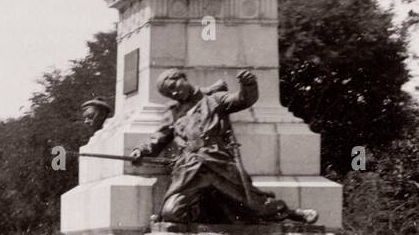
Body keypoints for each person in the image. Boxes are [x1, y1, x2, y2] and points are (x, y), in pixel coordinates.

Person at [130, 68, 317, 225]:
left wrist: (249, 85)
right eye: (169, 93)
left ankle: (293, 213)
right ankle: (209, 212)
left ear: (182, 78)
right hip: (190, 169)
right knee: (172, 213)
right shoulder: (174, 112)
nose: (174, 93)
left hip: (218, 162)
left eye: (173, 87)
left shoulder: (214, 99)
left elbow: (243, 99)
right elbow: (160, 136)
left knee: (253, 203)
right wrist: (142, 150)